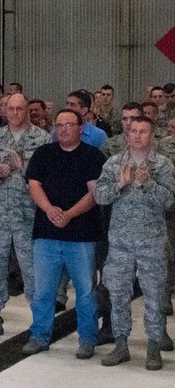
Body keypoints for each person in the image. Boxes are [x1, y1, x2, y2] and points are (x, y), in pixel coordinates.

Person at [21, 109, 106, 358]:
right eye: (59, 125)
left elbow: (94, 193)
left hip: (81, 236)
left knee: (86, 292)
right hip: (46, 234)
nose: (64, 129)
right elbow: (34, 185)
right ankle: (39, 335)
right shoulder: (43, 153)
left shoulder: (93, 156)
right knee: (43, 291)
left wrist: (69, 214)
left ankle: (88, 338)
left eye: (69, 125)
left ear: (81, 128)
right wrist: (49, 209)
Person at [95, 116, 175, 370]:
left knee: (155, 296)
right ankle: (121, 345)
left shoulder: (162, 165)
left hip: (152, 242)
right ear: (127, 134)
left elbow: (170, 201)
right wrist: (120, 184)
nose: (138, 136)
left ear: (152, 135)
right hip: (120, 241)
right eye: (134, 131)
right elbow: (100, 196)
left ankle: (154, 347)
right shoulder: (113, 163)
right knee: (118, 294)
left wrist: (148, 184)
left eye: (143, 131)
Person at [0, 93, 49, 339]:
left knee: (33, 271)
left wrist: (24, 168)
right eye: (11, 109)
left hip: (29, 216)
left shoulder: (41, 138)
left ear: (27, 110)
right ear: (5, 111)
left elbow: (49, 177)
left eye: (19, 109)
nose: (15, 113)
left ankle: (40, 323)